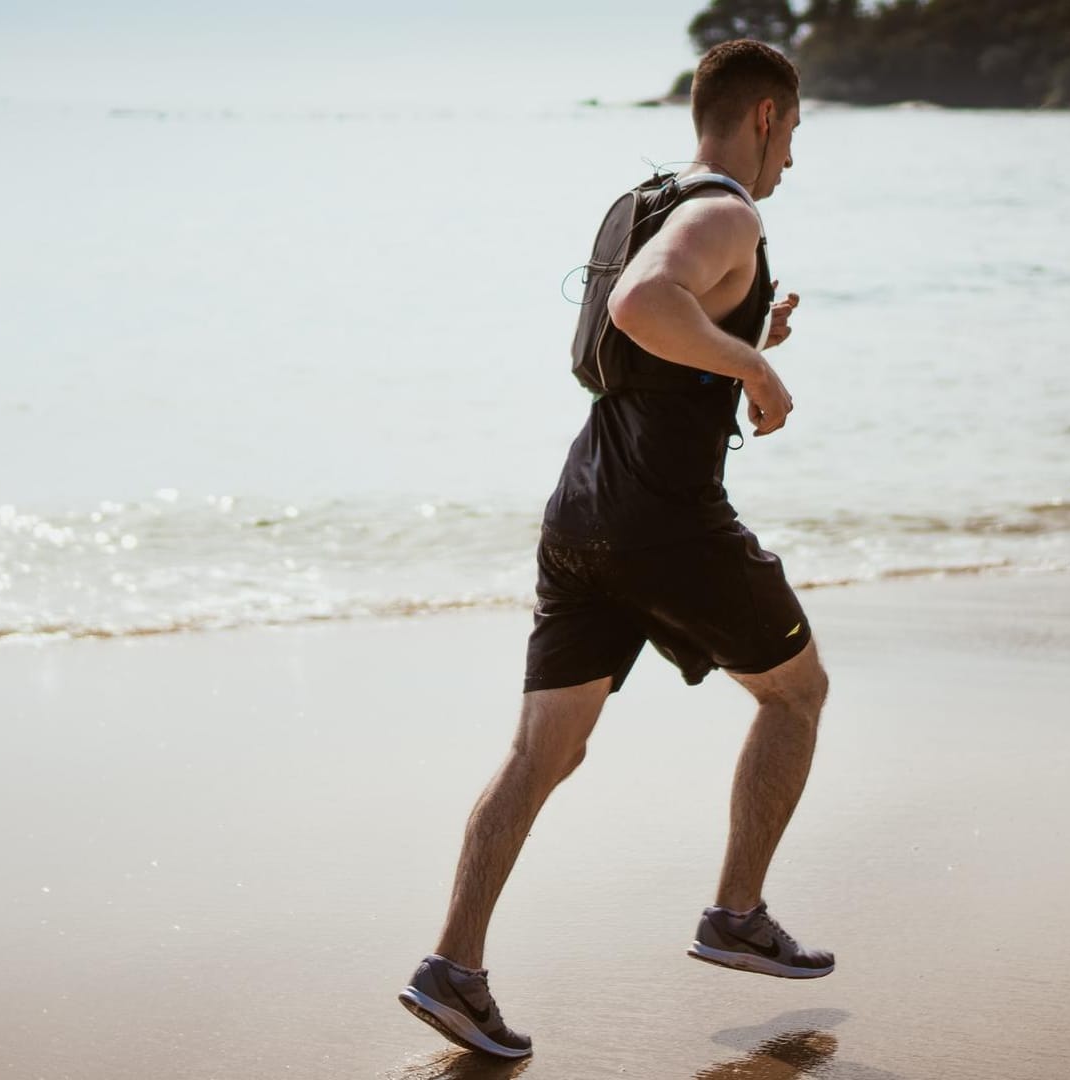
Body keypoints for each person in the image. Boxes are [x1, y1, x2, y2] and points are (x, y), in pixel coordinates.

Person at [398, 40, 833, 1060]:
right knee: (797, 694)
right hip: (665, 520)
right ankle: (736, 913)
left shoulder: (640, 202)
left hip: (582, 511)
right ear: (765, 117)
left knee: (543, 753)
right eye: (796, 134)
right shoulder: (730, 211)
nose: (793, 162)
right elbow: (644, 308)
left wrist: (737, 336)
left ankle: (452, 967)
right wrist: (755, 376)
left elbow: (629, 344)